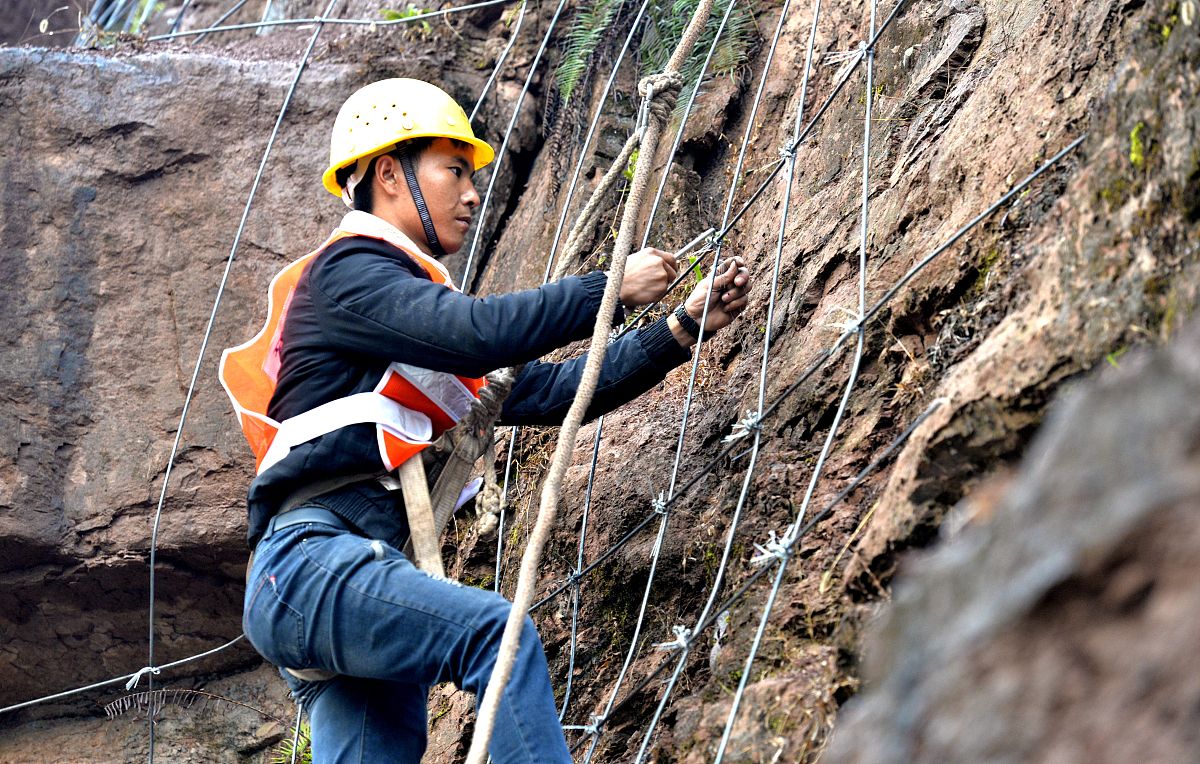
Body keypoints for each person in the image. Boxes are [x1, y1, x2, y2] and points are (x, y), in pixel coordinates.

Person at [237, 78, 751, 763]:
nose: (473, 193)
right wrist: (607, 287)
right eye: (454, 169)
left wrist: (680, 329)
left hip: (332, 578)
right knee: (495, 638)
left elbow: (553, 390)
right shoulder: (347, 272)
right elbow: (477, 334)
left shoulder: (397, 328)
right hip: (310, 561)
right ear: (389, 174)